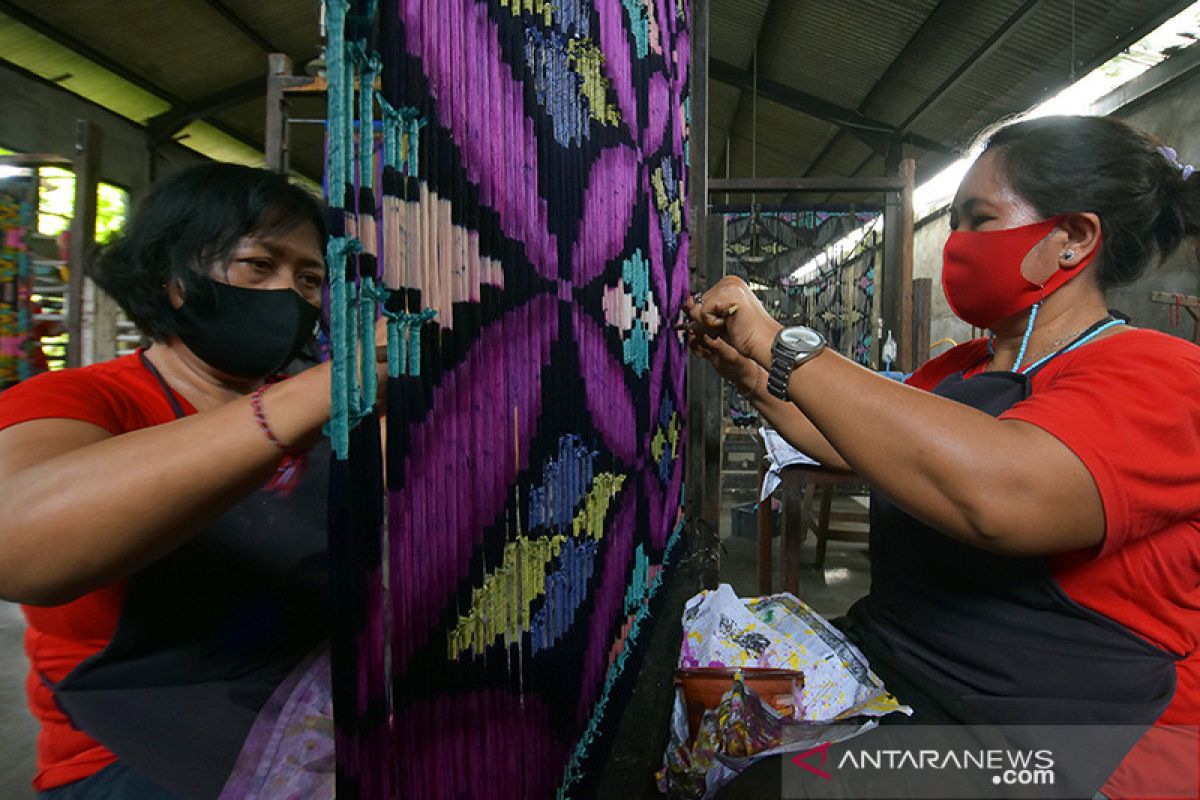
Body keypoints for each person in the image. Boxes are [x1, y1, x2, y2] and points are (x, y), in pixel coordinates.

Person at [688, 115, 1200, 797]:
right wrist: (751, 373)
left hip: (1041, 736)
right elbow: (857, 443)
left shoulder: (1163, 375)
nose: (956, 243)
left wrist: (783, 345)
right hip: (904, 669)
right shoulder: (965, 365)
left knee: (776, 789)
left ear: (1072, 239)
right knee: (701, 702)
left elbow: (997, 495)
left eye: (978, 221)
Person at [0, 163, 368, 798]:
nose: (293, 296)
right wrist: (322, 391)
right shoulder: (78, 400)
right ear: (175, 278)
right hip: (130, 755)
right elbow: (17, 547)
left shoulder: (320, 412)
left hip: (297, 715)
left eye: (310, 280)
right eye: (259, 265)